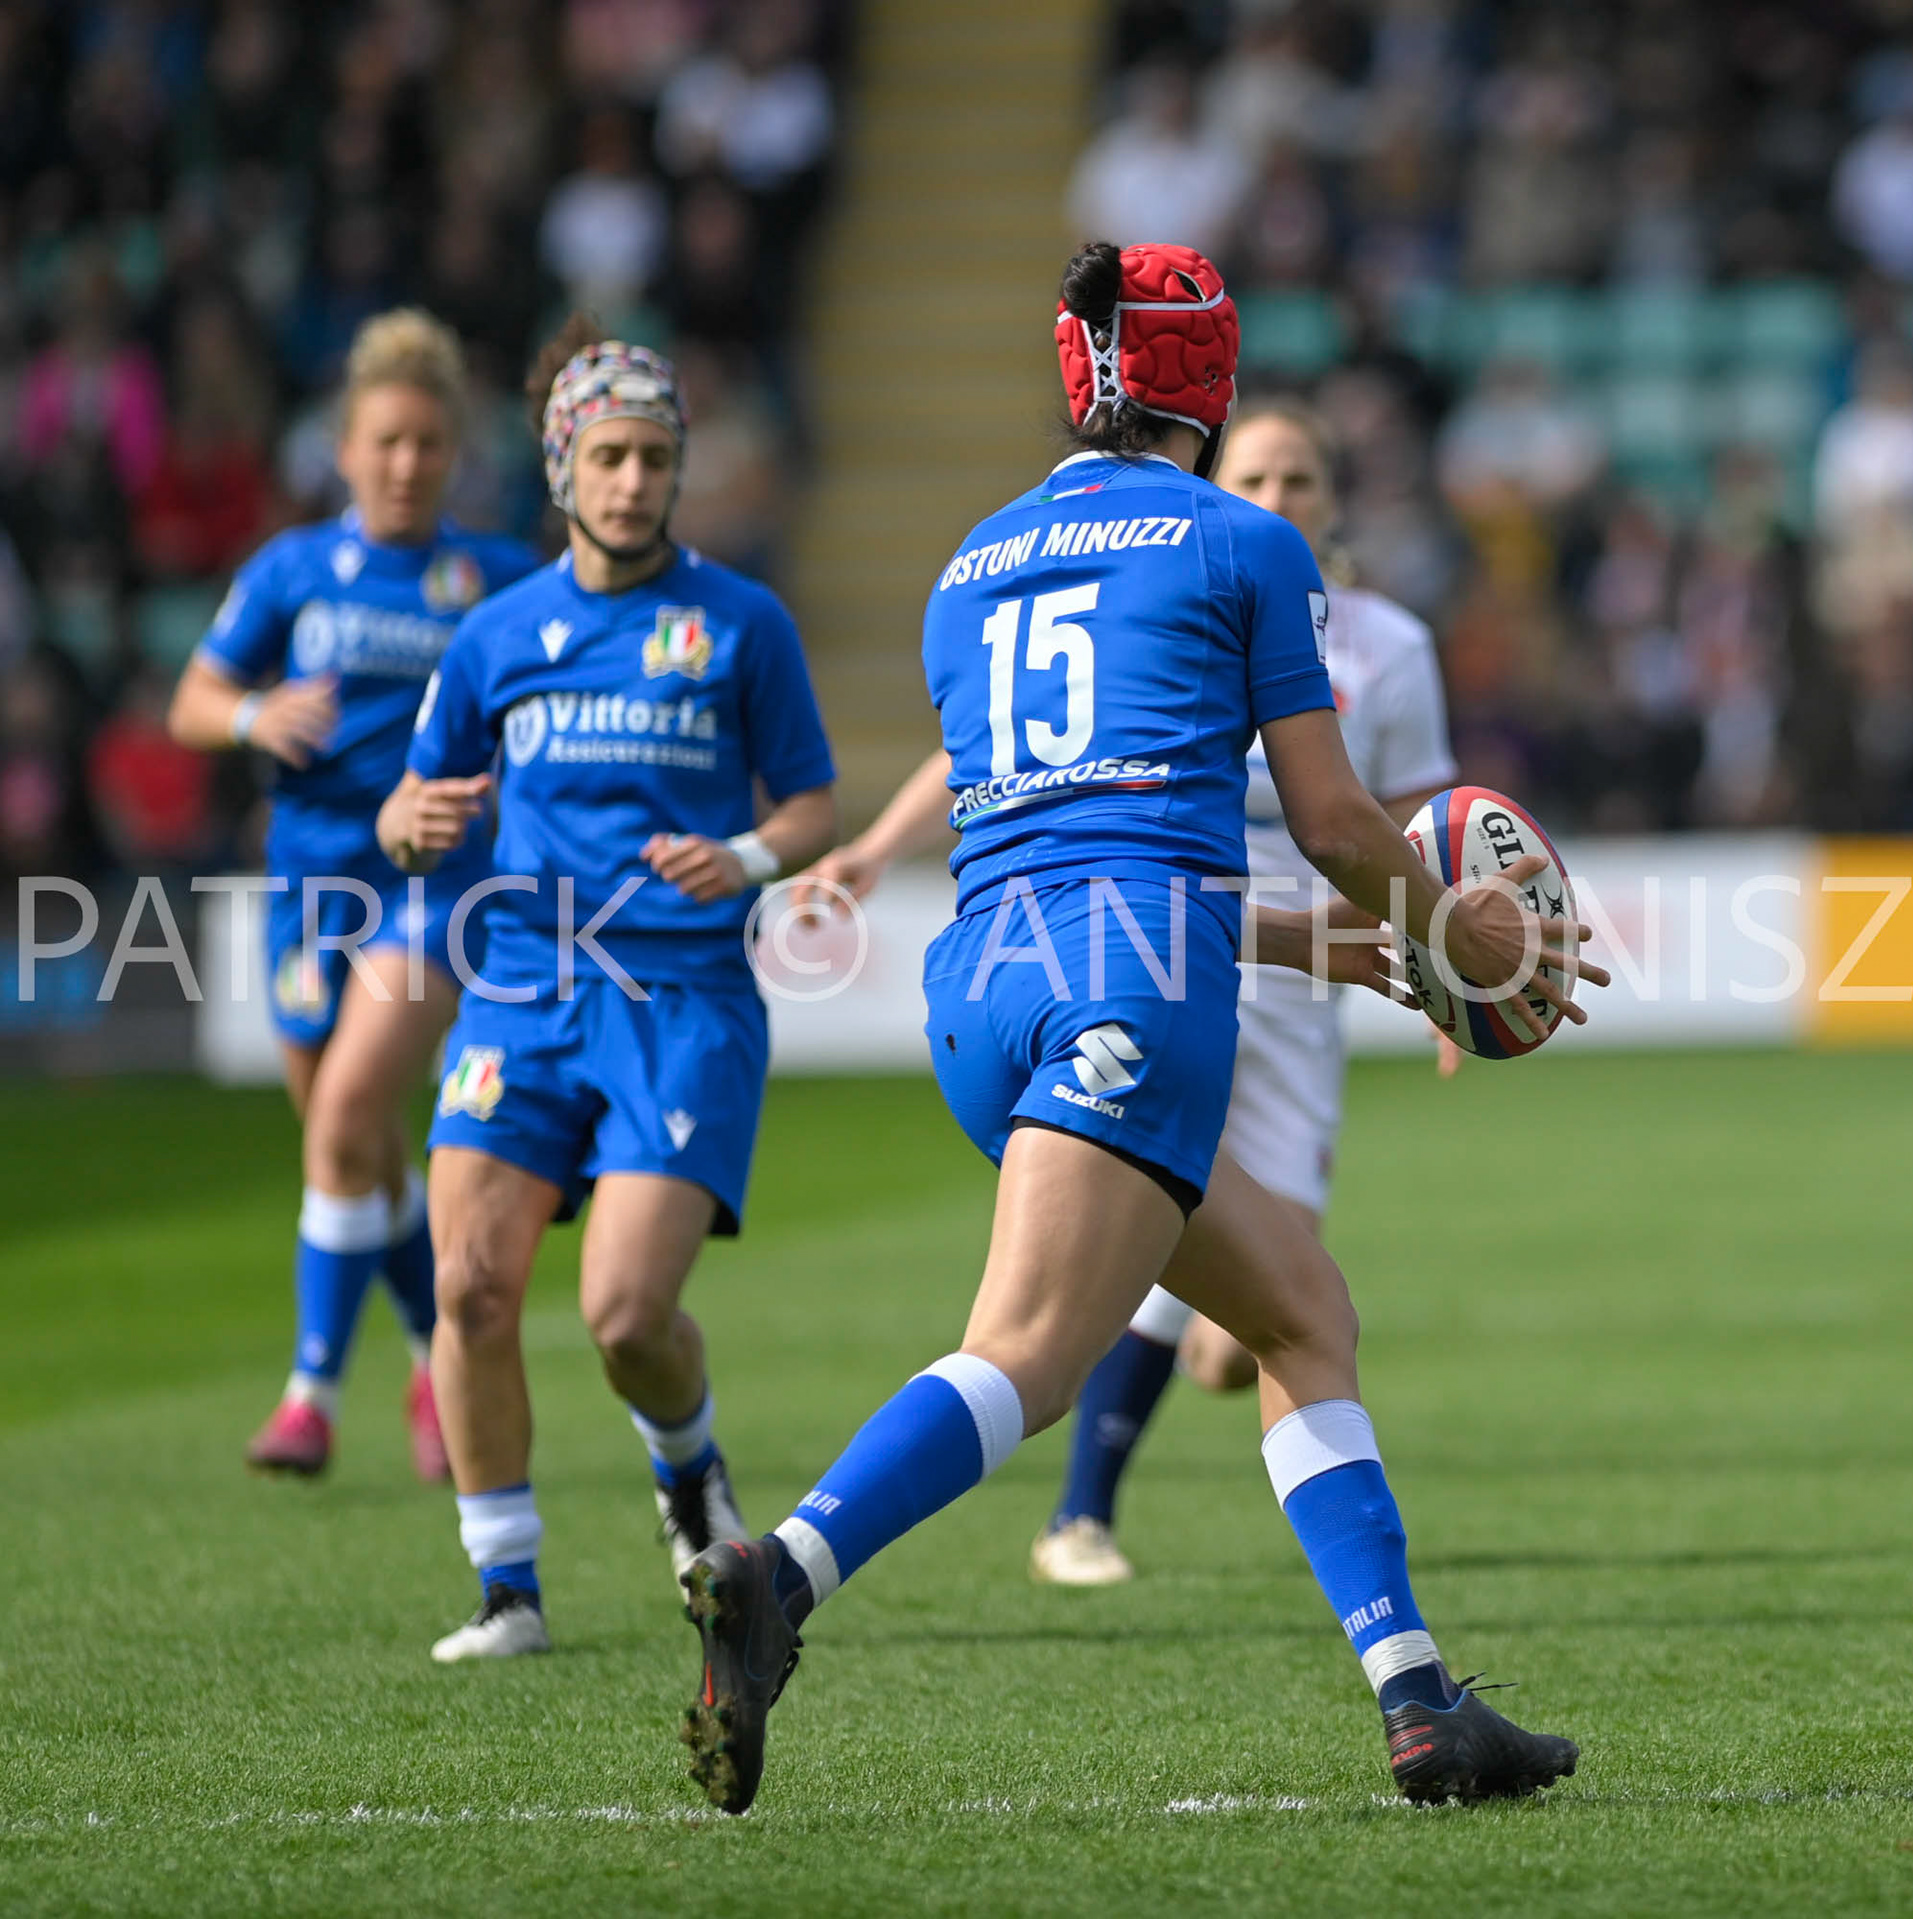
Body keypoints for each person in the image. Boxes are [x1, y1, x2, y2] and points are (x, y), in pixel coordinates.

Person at [676, 242, 1605, 1816]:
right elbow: (1327, 811)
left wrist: (1331, 943)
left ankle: (1419, 1697)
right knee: (1032, 1348)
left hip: (985, 984)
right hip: (1137, 988)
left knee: (1302, 1308)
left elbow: (1069, 850)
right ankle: (784, 1570)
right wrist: (1462, 923)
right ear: (1210, 378)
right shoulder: (1247, 543)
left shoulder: (966, 565)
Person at [377, 319, 837, 1663]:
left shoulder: (742, 623)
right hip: (518, 994)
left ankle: (688, 1467)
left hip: (681, 996)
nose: (633, 480)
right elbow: (417, 802)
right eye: (609, 456)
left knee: (627, 1313)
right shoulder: (495, 635)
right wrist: (411, 828)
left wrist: (742, 855)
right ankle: (507, 1586)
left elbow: (811, 802)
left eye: (654, 456)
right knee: (469, 1284)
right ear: (559, 467)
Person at [1030, 396, 1460, 1586]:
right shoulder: (1182, 592)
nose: (1276, 500)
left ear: (1331, 500)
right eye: (1257, 477)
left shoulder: (1389, 645)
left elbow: (1415, 814)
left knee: (1233, 1339)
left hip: (1319, 972)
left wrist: (1447, 971)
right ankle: (1080, 1515)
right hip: (1189, 946)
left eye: (1300, 481)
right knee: (1202, 1244)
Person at [168, 309, 541, 1480]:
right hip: (308, 884)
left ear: (454, 453)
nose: (406, 462)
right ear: (343, 446)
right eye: (386, 440)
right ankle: (439, 1358)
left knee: (344, 1121)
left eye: (429, 443)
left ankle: (308, 1397)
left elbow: (586, 638)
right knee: (358, 1149)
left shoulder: (493, 577)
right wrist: (250, 714)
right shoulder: (291, 571)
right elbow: (192, 698)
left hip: (435, 886)